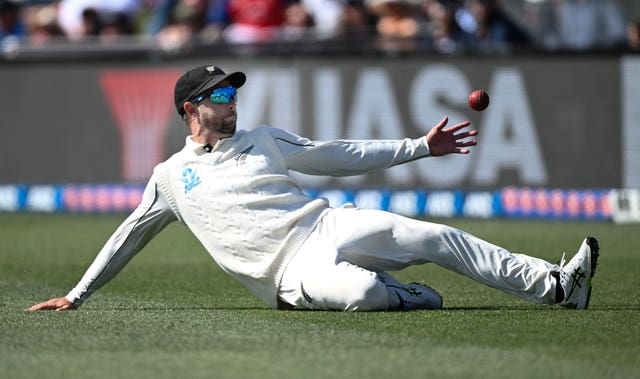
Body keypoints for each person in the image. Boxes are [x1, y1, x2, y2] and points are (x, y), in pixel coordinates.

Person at [28, 64, 599, 313]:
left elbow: (339, 155)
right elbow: (127, 236)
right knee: (363, 296)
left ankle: (553, 285)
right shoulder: (170, 178)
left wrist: (420, 147)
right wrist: (77, 295)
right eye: (220, 96)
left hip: (325, 224)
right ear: (190, 109)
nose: (232, 102)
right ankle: (411, 295)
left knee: (429, 234)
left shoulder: (264, 138)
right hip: (287, 274)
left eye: (232, 94)